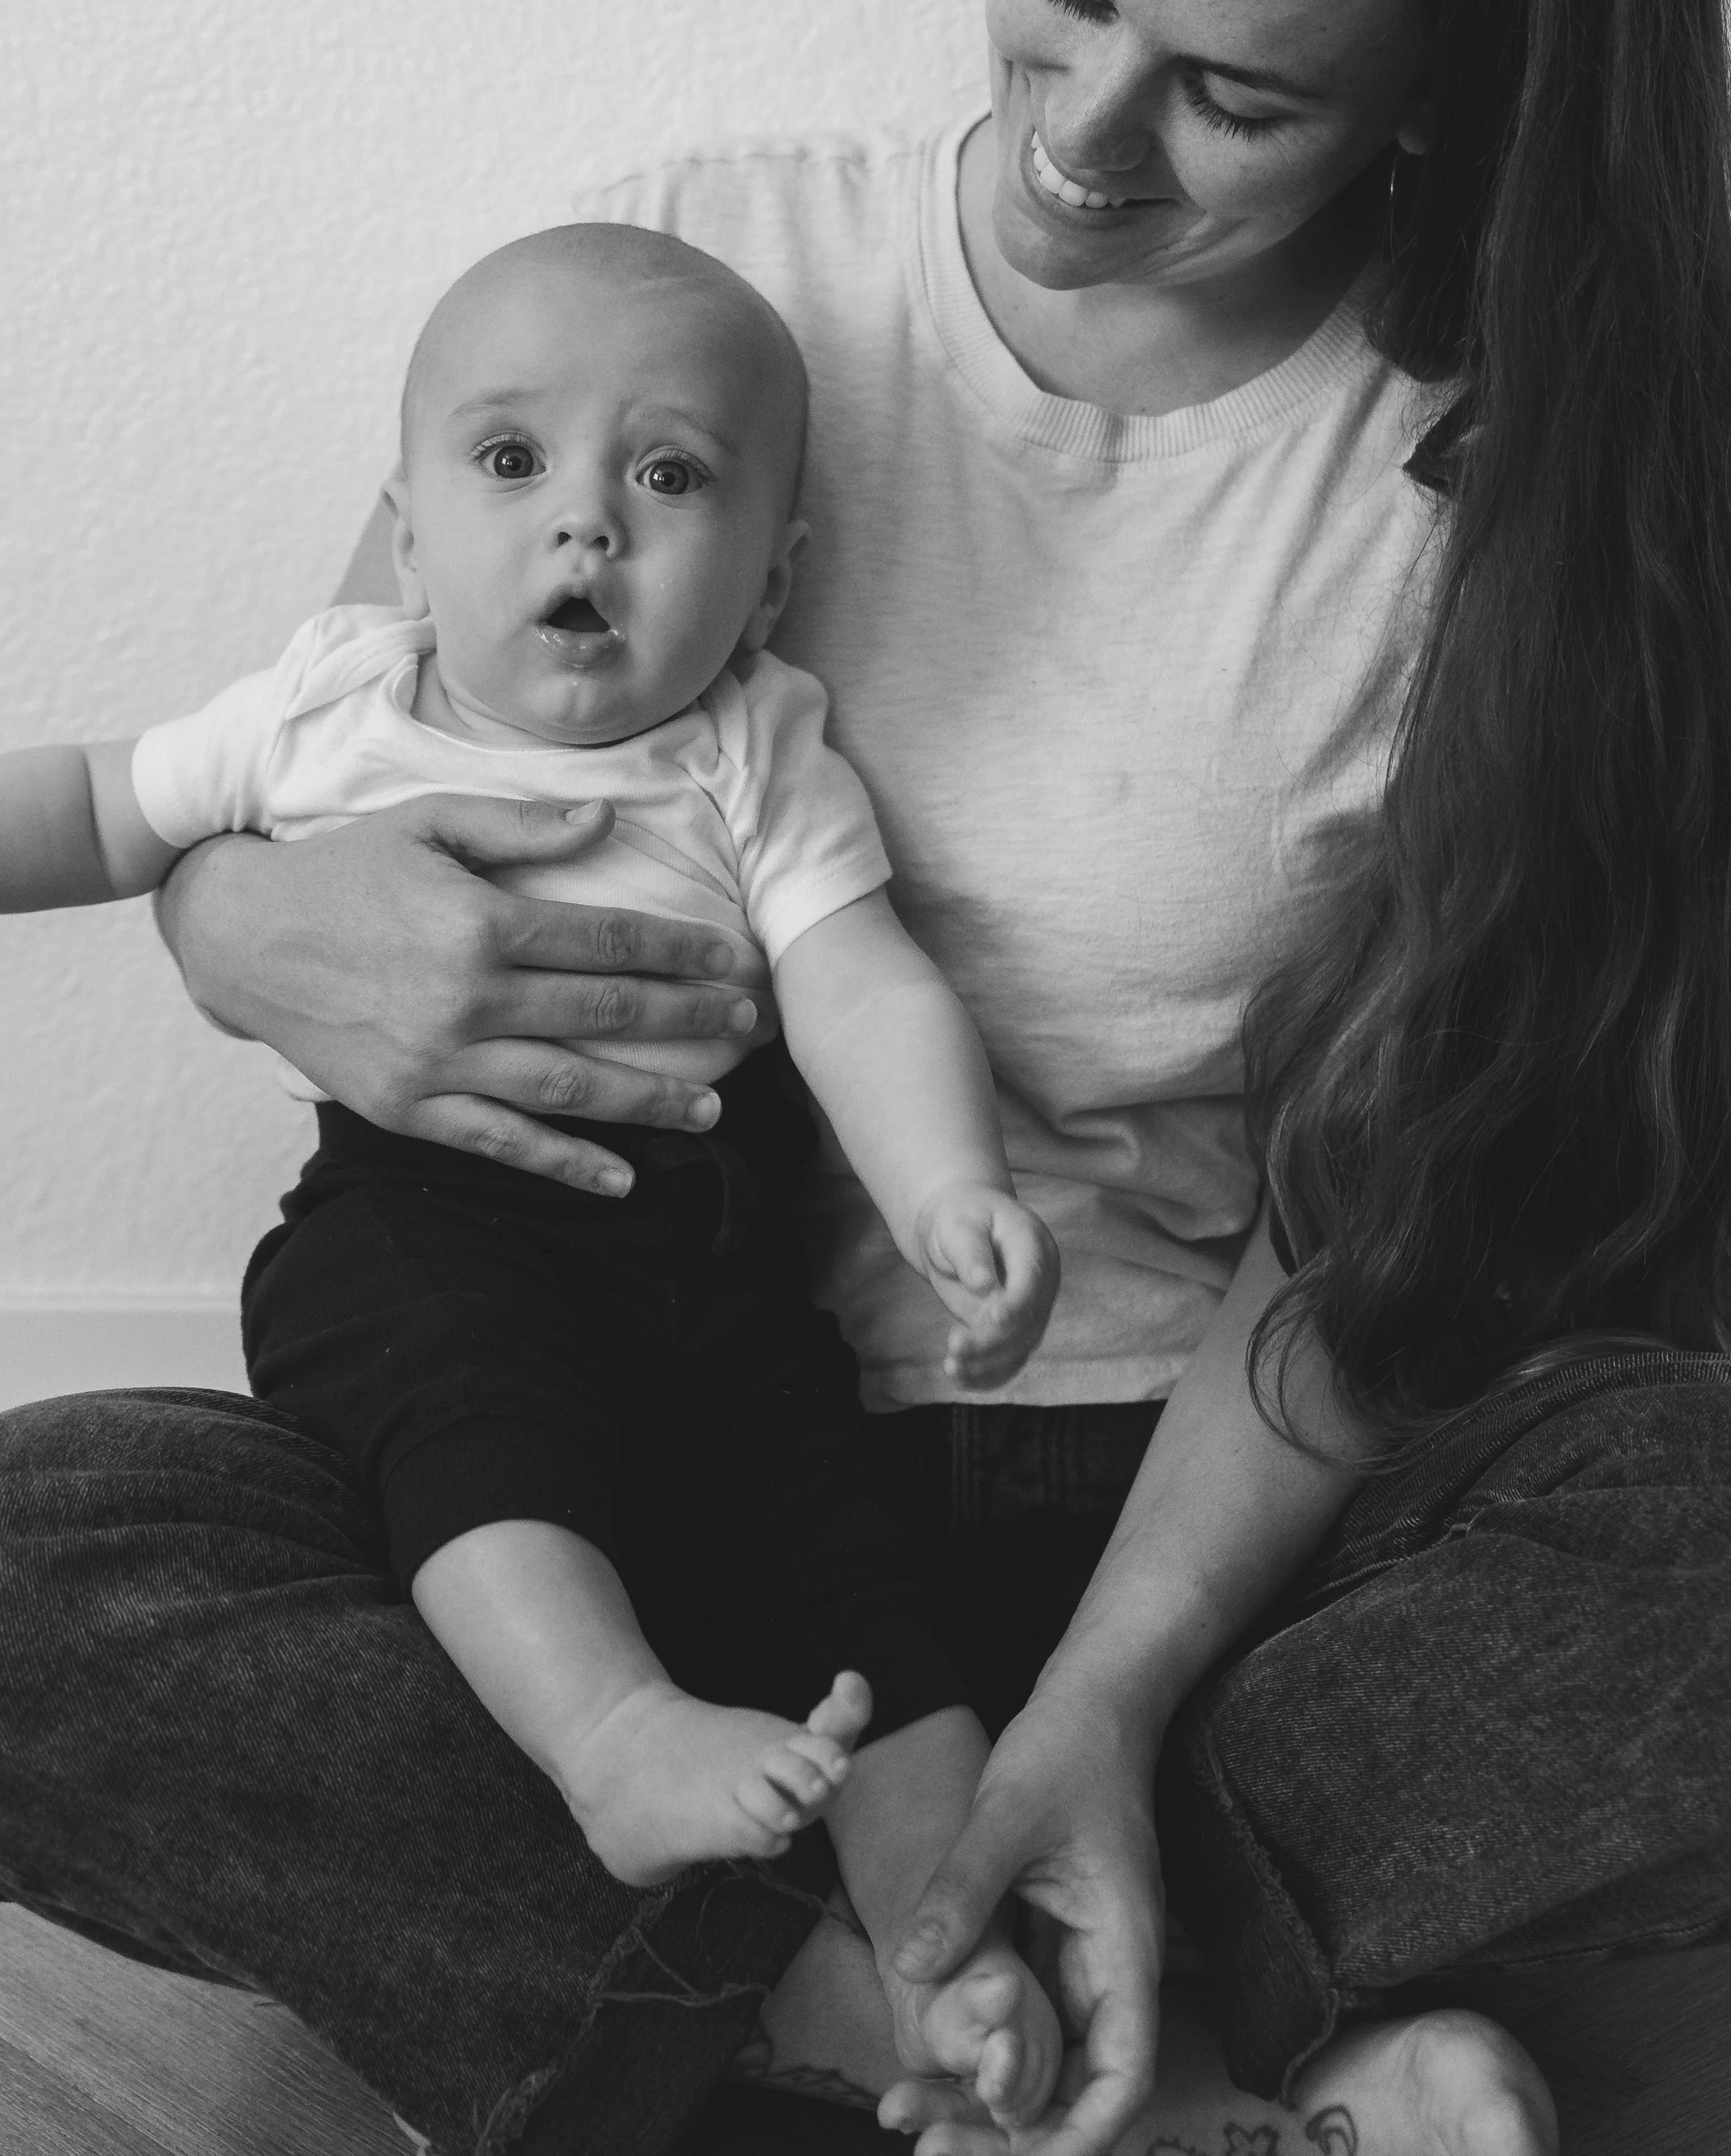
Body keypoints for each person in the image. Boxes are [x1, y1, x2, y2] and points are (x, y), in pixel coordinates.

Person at [1, 0, 1731, 2156]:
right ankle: (1028, 2054)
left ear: (1450, 87)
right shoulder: (706, 270)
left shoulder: (1499, 487)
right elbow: (330, 758)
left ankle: (997, 1941)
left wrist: (1098, 1702)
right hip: (616, 1436)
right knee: (49, 1546)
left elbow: (1385, 1226)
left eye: (1239, 92)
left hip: (1163, 1516)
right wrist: (245, 931)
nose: (1086, 133)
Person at [0, 220, 1068, 2122]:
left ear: (771, 574)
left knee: (846, 1577)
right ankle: (608, 1731)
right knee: (480, 1434)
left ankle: (940, 1955)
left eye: (668, 478)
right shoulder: (334, 703)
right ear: (406, 534)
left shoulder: (754, 752)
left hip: (715, 1275)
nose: (585, 528)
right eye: (511, 467)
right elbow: (93, 803)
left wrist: (945, 1189)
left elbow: (856, 980)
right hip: (424, 1239)